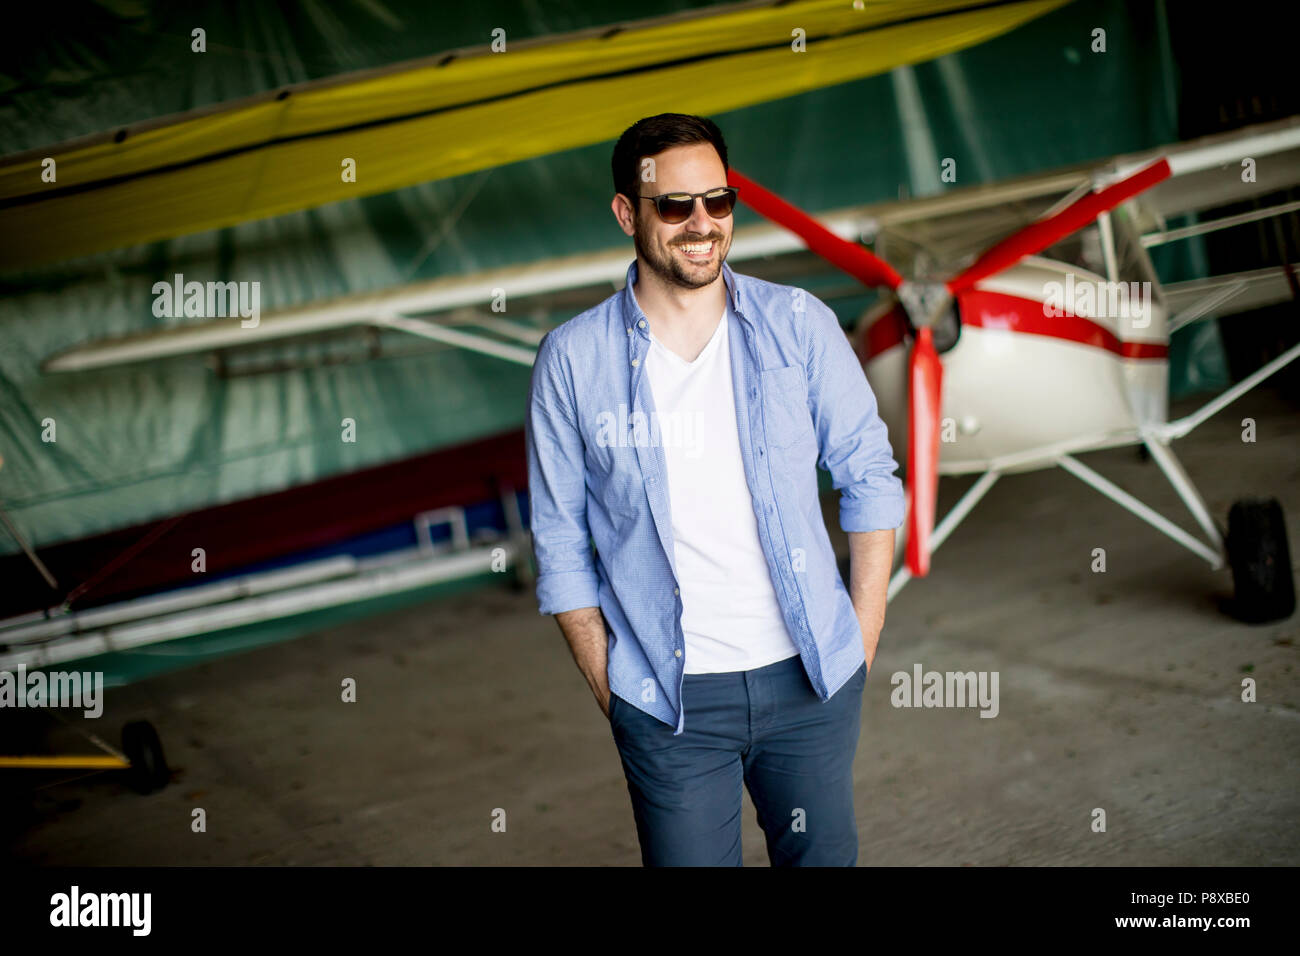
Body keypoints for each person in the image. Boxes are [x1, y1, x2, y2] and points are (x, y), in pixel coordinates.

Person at [525, 112, 904, 866]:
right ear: (628, 213)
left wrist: (858, 640)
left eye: (719, 201)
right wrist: (616, 687)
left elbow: (868, 474)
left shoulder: (799, 324)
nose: (701, 224)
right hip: (669, 703)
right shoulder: (572, 361)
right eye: (675, 205)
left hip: (810, 680)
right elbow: (560, 540)